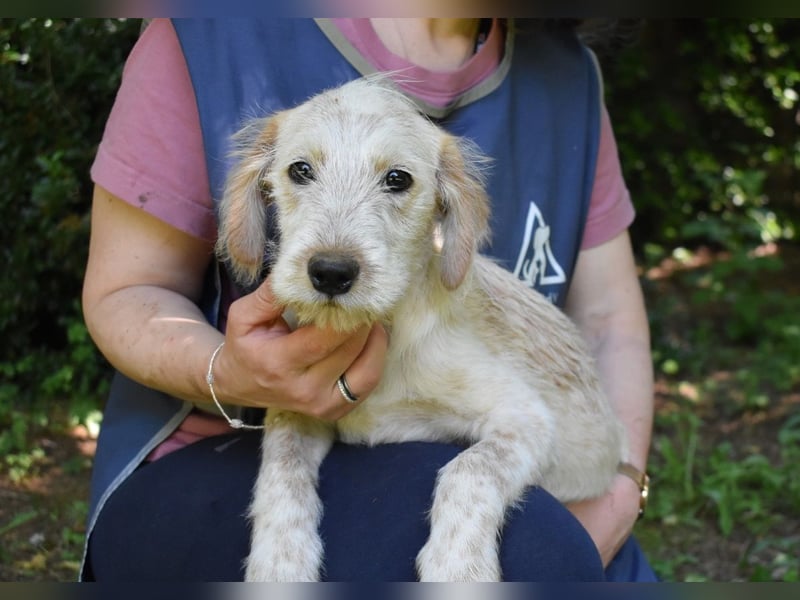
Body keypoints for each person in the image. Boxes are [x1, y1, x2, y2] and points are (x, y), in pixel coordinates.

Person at [80, 18, 656, 581]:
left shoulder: (567, 72)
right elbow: (126, 290)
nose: (334, 253)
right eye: (302, 172)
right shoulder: (205, 31)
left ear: (450, 210)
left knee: (584, 562)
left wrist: (627, 485)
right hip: (207, 459)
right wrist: (229, 373)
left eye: (397, 182)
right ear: (262, 191)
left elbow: (610, 321)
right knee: (538, 553)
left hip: (508, 457)